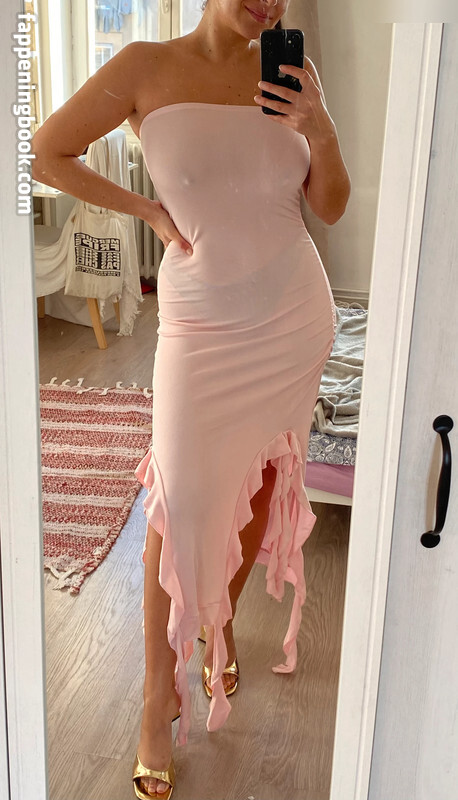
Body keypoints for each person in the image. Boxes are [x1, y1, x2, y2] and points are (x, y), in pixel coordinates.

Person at [32, 1, 350, 797]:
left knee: (264, 484)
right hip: (200, 327)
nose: (267, 0)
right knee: (177, 503)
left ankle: (221, 629)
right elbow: (45, 151)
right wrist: (145, 210)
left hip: (292, 319)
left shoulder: (293, 73)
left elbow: (331, 205)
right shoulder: (144, 66)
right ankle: (157, 696)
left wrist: (320, 129)